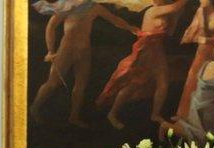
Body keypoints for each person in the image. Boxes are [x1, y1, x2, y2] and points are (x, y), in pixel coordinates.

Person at [28, 0, 139, 128]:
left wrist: (130, 27)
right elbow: (51, 27)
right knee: (53, 83)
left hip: (84, 50)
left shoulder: (94, 7)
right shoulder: (67, 7)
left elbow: (114, 19)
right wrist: (50, 50)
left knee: (81, 85)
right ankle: (34, 107)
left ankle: (74, 116)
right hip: (67, 49)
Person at [96, 0, 190, 129]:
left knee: (163, 82)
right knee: (134, 85)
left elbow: (170, 29)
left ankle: (155, 115)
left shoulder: (165, 10)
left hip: (157, 50)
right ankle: (112, 114)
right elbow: (176, 7)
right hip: (146, 50)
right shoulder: (153, 10)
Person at [175, 0, 214, 119]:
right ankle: (185, 114)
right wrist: (201, 19)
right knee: (193, 78)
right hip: (201, 51)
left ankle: (203, 116)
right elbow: (196, 33)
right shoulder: (200, 13)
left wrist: (209, 40)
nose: (201, 0)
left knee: (209, 82)